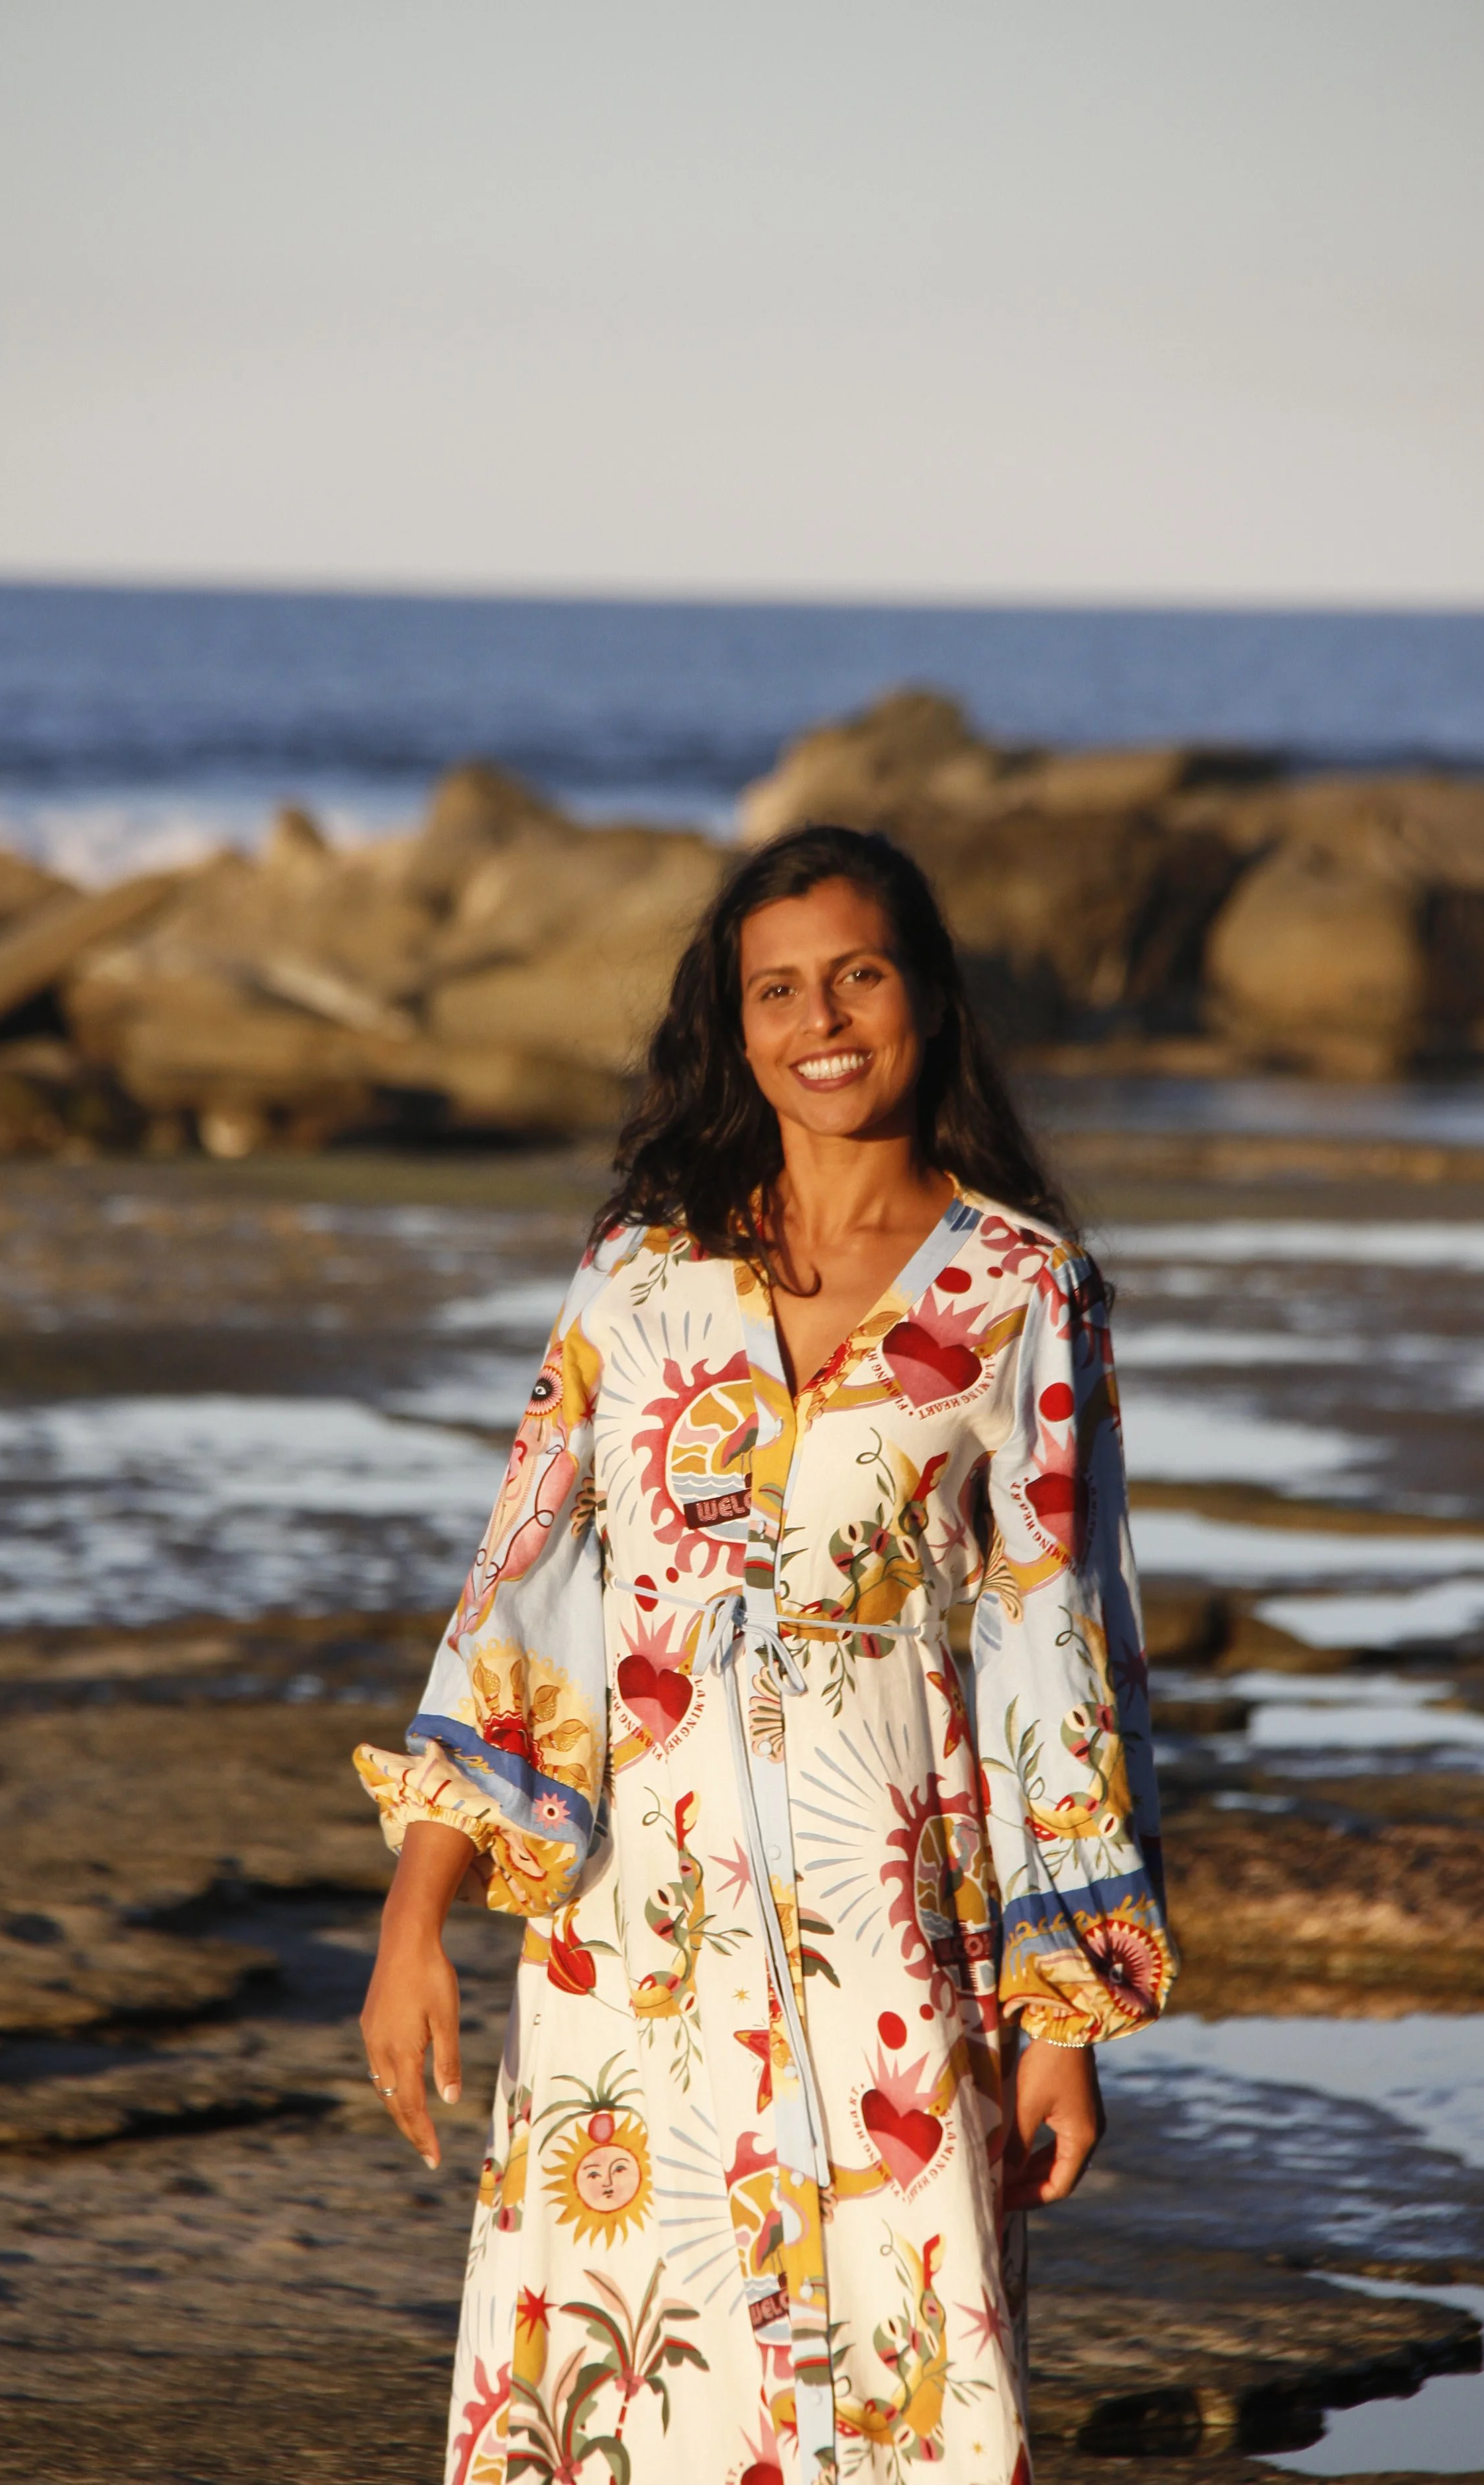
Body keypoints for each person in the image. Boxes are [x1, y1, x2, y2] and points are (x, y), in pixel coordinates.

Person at [356, 823, 1174, 2485]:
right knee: (623, 2392)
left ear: (926, 1000)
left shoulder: (1022, 1294)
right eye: (777, 988)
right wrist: (416, 1909)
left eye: (859, 976)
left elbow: (1056, 1653)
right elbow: (518, 1589)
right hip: (629, 1951)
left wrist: (1061, 2021)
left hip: (899, 1939)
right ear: (733, 1027)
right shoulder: (640, 1278)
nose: (822, 1019)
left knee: (907, 2383)